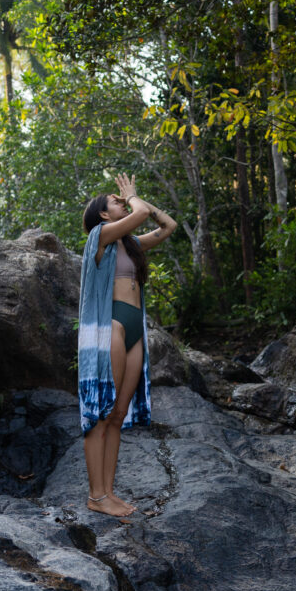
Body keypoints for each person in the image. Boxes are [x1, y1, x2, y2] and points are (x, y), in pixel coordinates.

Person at [78, 173, 177, 519]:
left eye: (121, 199)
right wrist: (135, 199)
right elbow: (137, 214)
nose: (120, 201)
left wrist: (139, 202)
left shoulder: (130, 243)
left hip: (135, 329)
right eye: (114, 201)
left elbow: (168, 226)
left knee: (119, 415)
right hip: (113, 327)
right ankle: (96, 495)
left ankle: (108, 492)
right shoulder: (99, 237)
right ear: (103, 215)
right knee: (102, 413)